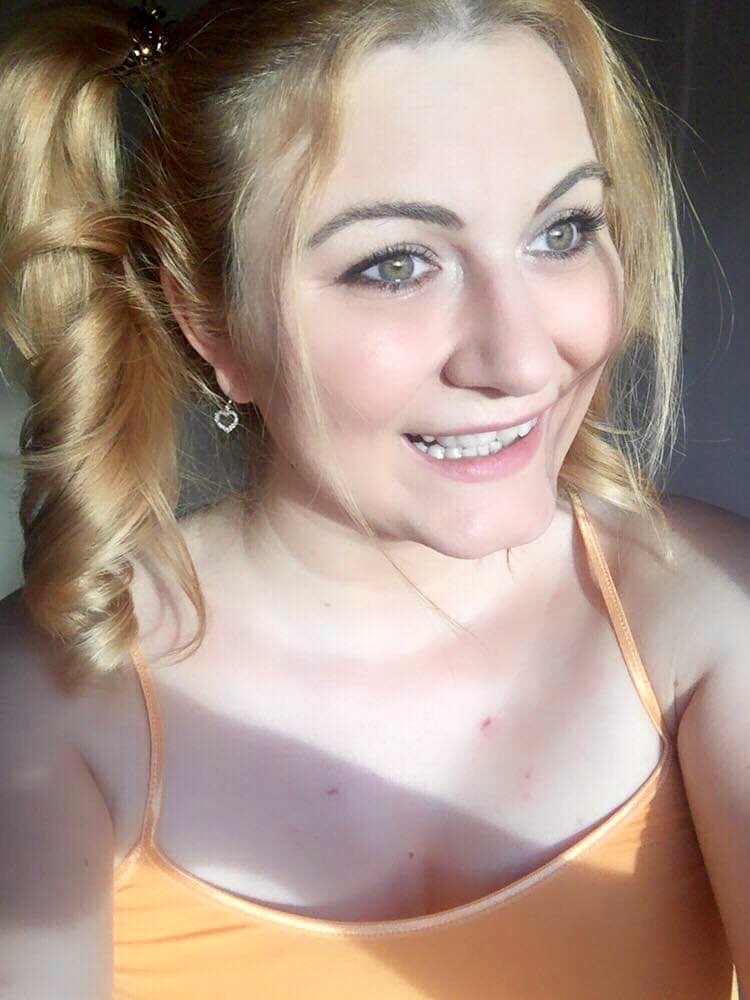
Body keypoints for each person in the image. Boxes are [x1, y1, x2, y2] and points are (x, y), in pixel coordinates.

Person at [0, 0, 747, 997]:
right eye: (395, 265)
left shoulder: (706, 616)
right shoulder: (51, 706)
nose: (523, 358)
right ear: (209, 318)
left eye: (563, 230)